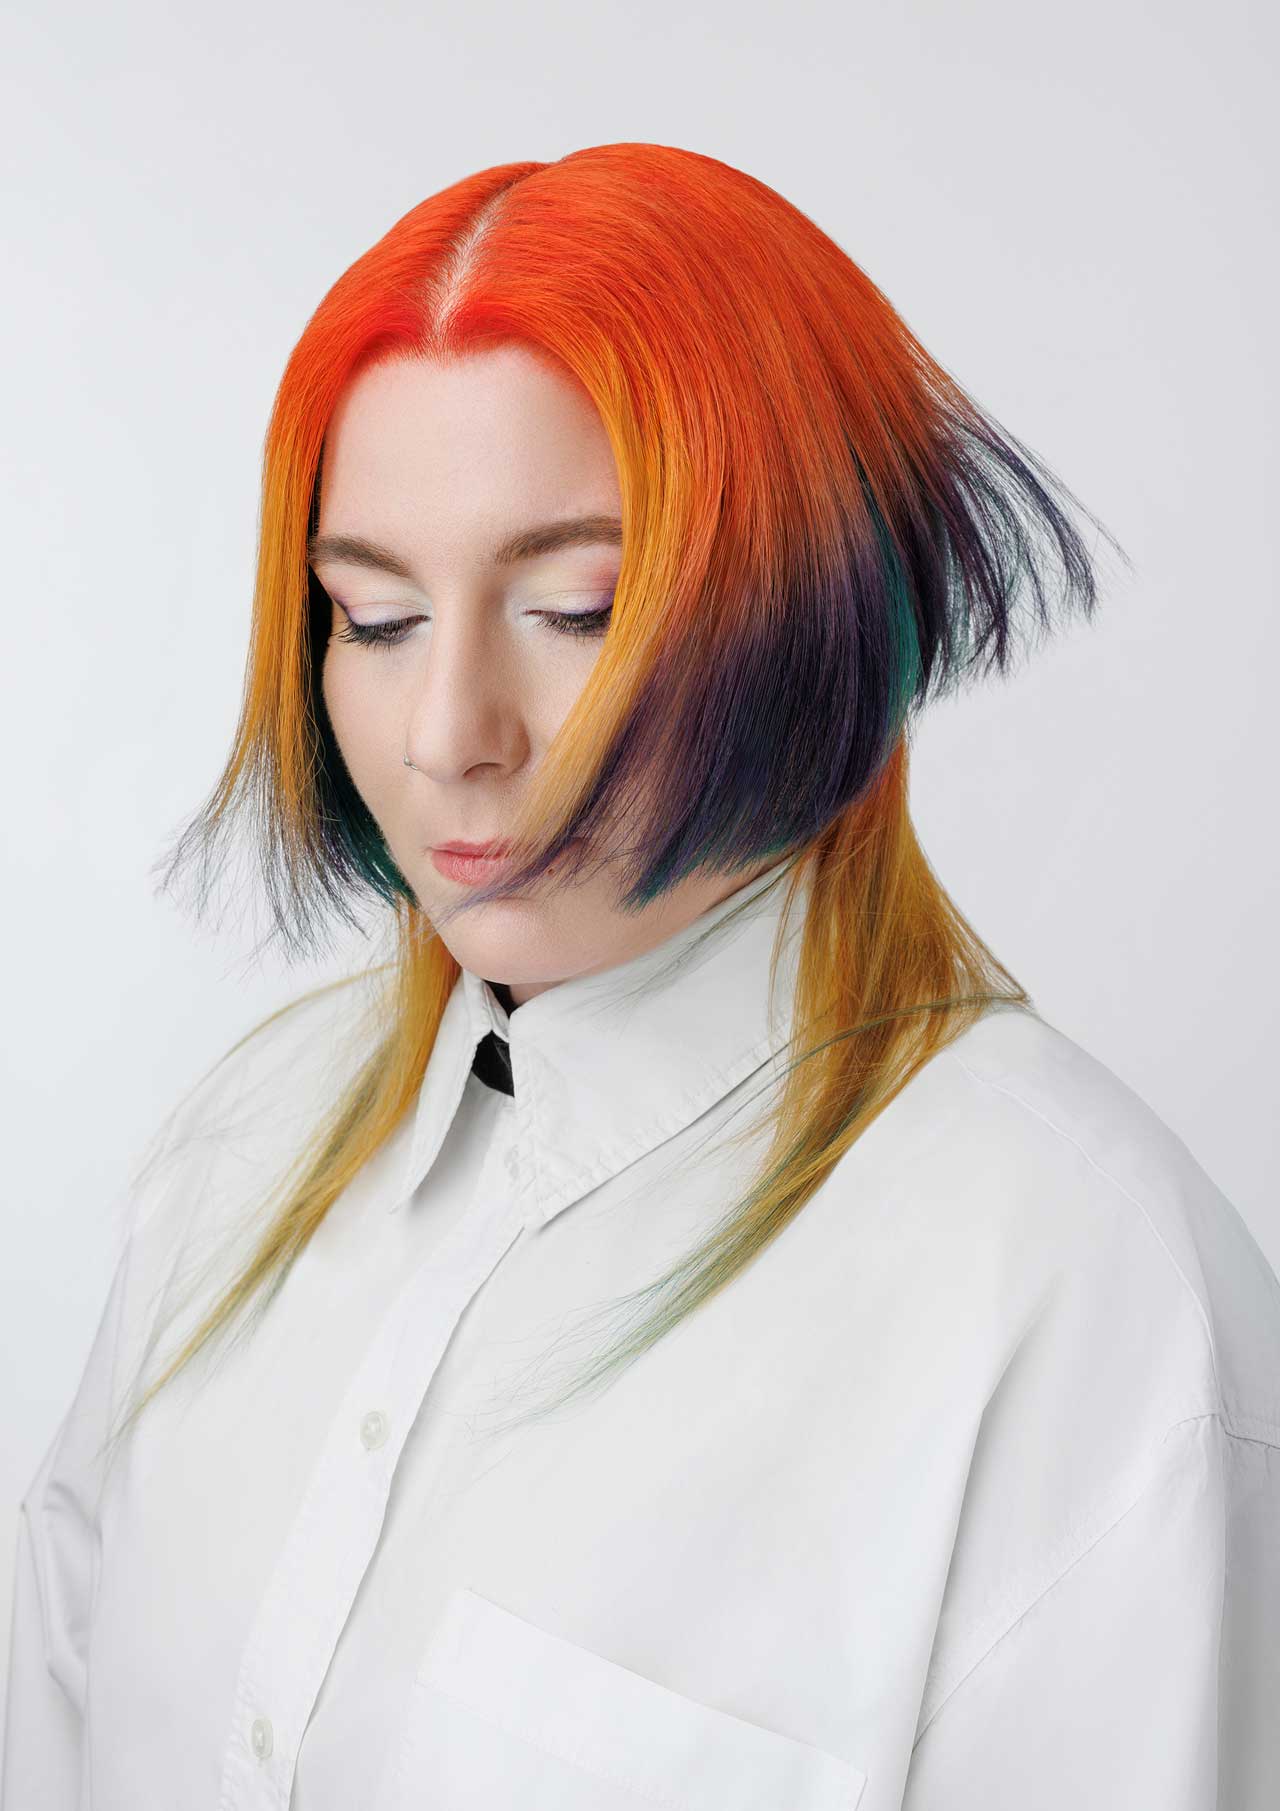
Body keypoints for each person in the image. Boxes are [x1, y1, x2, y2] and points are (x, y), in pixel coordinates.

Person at [4, 142, 1278, 1811]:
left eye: (578, 608)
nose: (450, 737)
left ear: (815, 606)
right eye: (373, 621)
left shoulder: (1083, 1298)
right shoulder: (242, 1156)